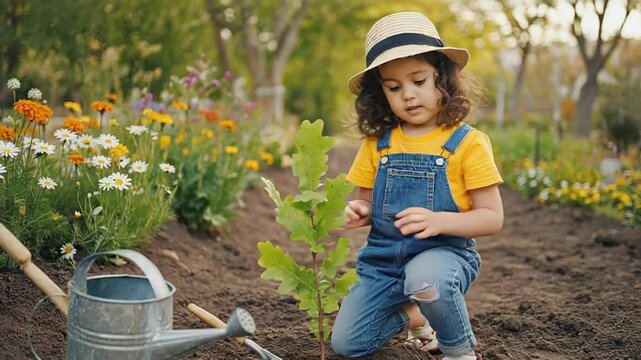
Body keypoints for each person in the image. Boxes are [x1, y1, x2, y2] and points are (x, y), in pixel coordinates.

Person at [331, 12, 504, 360]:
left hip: (444, 258)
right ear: (380, 93)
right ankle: (412, 315)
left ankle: (458, 351)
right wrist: (357, 211)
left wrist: (441, 221)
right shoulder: (378, 143)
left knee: (427, 279)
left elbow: (492, 217)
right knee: (348, 346)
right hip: (383, 264)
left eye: (419, 81)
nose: (408, 95)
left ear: (443, 77)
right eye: (394, 87)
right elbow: (365, 204)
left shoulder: (467, 142)